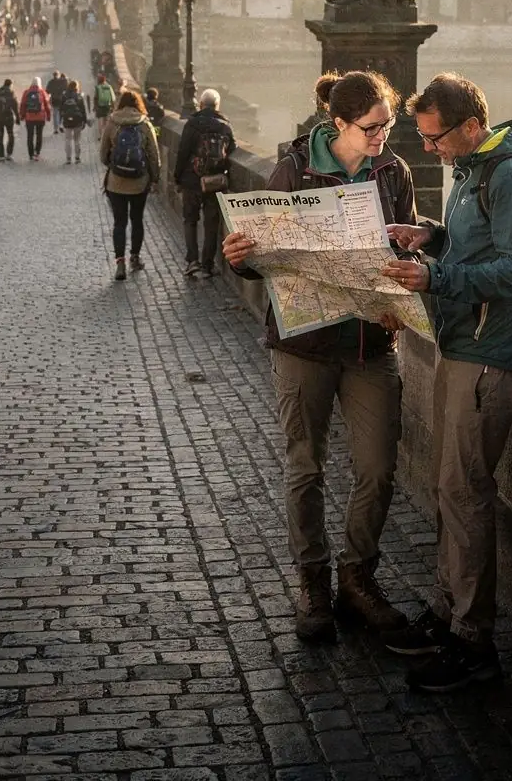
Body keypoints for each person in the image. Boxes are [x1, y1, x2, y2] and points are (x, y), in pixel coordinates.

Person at [222, 71, 414, 644]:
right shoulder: (295, 169)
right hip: (303, 342)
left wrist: (401, 281)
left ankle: (357, 578)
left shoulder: (394, 172)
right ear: (339, 125)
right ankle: (312, 583)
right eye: (372, 127)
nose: (382, 136)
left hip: (369, 342)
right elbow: (259, 256)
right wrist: (238, 257)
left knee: (377, 469)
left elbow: (401, 243)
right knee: (305, 467)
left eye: (388, 125)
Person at [381, 72, 512, 692]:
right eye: (423, 139)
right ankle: (448, 611)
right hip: (467, 343)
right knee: (450, 486)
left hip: (494, 353)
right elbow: (479, 246)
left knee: (466, 491)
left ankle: (474, 644)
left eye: (436, 138)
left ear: (472, 126)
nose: (431, 149)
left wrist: (436, 279)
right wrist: (435, 237)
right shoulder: (476, 170)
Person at [99, 90, 160, 280]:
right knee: (137, 219)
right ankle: (135, 256)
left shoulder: (112, 122)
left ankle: (120, 264)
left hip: (116, 183)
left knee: (119, 222)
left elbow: (102, 154)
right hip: (139, 183)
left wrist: (115, 166)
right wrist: (154, 178)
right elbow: (154, 155)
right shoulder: (144, 124)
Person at [175, 89, 234, 280]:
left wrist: (177, 177)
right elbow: (232, 150)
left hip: (192, 180)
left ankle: (193, 261)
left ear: (201, 104)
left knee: (190, 220)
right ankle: (208, 264)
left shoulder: (192, 124)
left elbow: (182, 153)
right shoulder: (225, 125)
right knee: (211, 224)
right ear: (217, 106)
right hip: (214, 182)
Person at [19, 75, 52, 160]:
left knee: (30, 136)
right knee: (39, 135)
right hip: (40, 118)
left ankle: (30, 154)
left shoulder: (26, 92)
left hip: (29, 117)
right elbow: (47, 105)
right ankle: (37, 152)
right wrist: (48, 116)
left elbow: (23, 105)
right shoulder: (42, 92)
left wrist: (22, 115)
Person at [0, 78, 20, 161]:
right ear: (10, 85)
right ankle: (9, 154)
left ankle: (1, 155)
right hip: (8, 117)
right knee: (10, 134)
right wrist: (17, 117)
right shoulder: (11, 93)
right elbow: (15, 106)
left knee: (0, 136)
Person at [60, 78, 88, 163]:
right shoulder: (79, 96)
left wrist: (61, 122)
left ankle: (68, 158)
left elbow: (61, 109)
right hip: (78, 121)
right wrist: (84, 121)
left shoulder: (64, 96)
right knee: (77, 140)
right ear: (77, 87)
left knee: (68, 139)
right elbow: (83, 110)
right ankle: (77, 157)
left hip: (67, 121)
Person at [93, 73, 116, 138]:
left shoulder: (97, 87)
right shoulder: (109, 86)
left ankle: (101, 136)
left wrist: (94, 106)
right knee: (106, 122)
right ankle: (106, 136)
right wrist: (113, 106)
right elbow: (113, 98)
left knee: (100, 122)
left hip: (100, 106)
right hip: (107, 106)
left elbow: (95, 97)